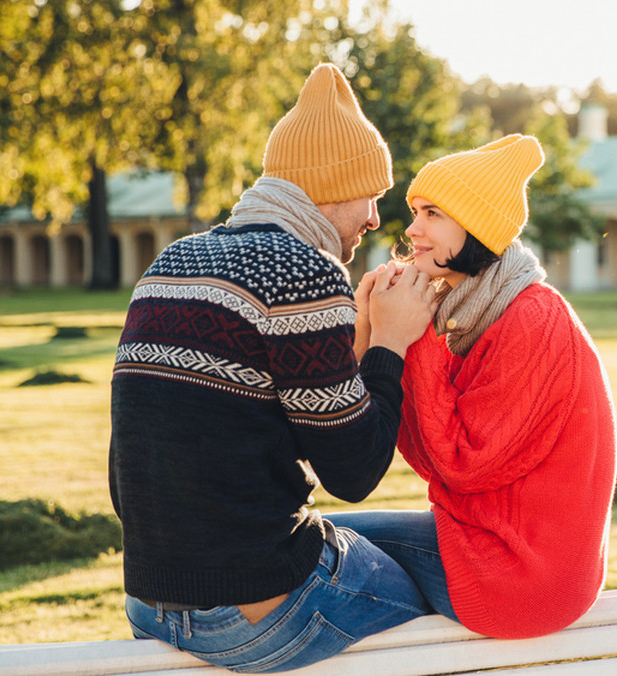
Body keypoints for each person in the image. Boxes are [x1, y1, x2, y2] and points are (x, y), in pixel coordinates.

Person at [108, 63, 438, 673]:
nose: (373, 219)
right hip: (251, 609)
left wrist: (354, 341)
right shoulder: (302, 272)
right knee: (442, 611)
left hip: (149, 602)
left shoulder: (173, 261)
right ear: (336, 187)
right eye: (371, 195)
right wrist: (391, 341)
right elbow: (355, 471)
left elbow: (230, 430)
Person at [331, 134, 617, 639]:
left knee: (314, 545)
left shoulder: (533, 318)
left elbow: (461, 463)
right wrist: (369, 325)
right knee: (322, 544)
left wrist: (406, 335)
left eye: (433, 214)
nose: (413, 229)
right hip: (499, 549)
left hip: (521, 576)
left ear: (478, 226)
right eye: (416, 211)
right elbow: (428, 451)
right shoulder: (478, 314)